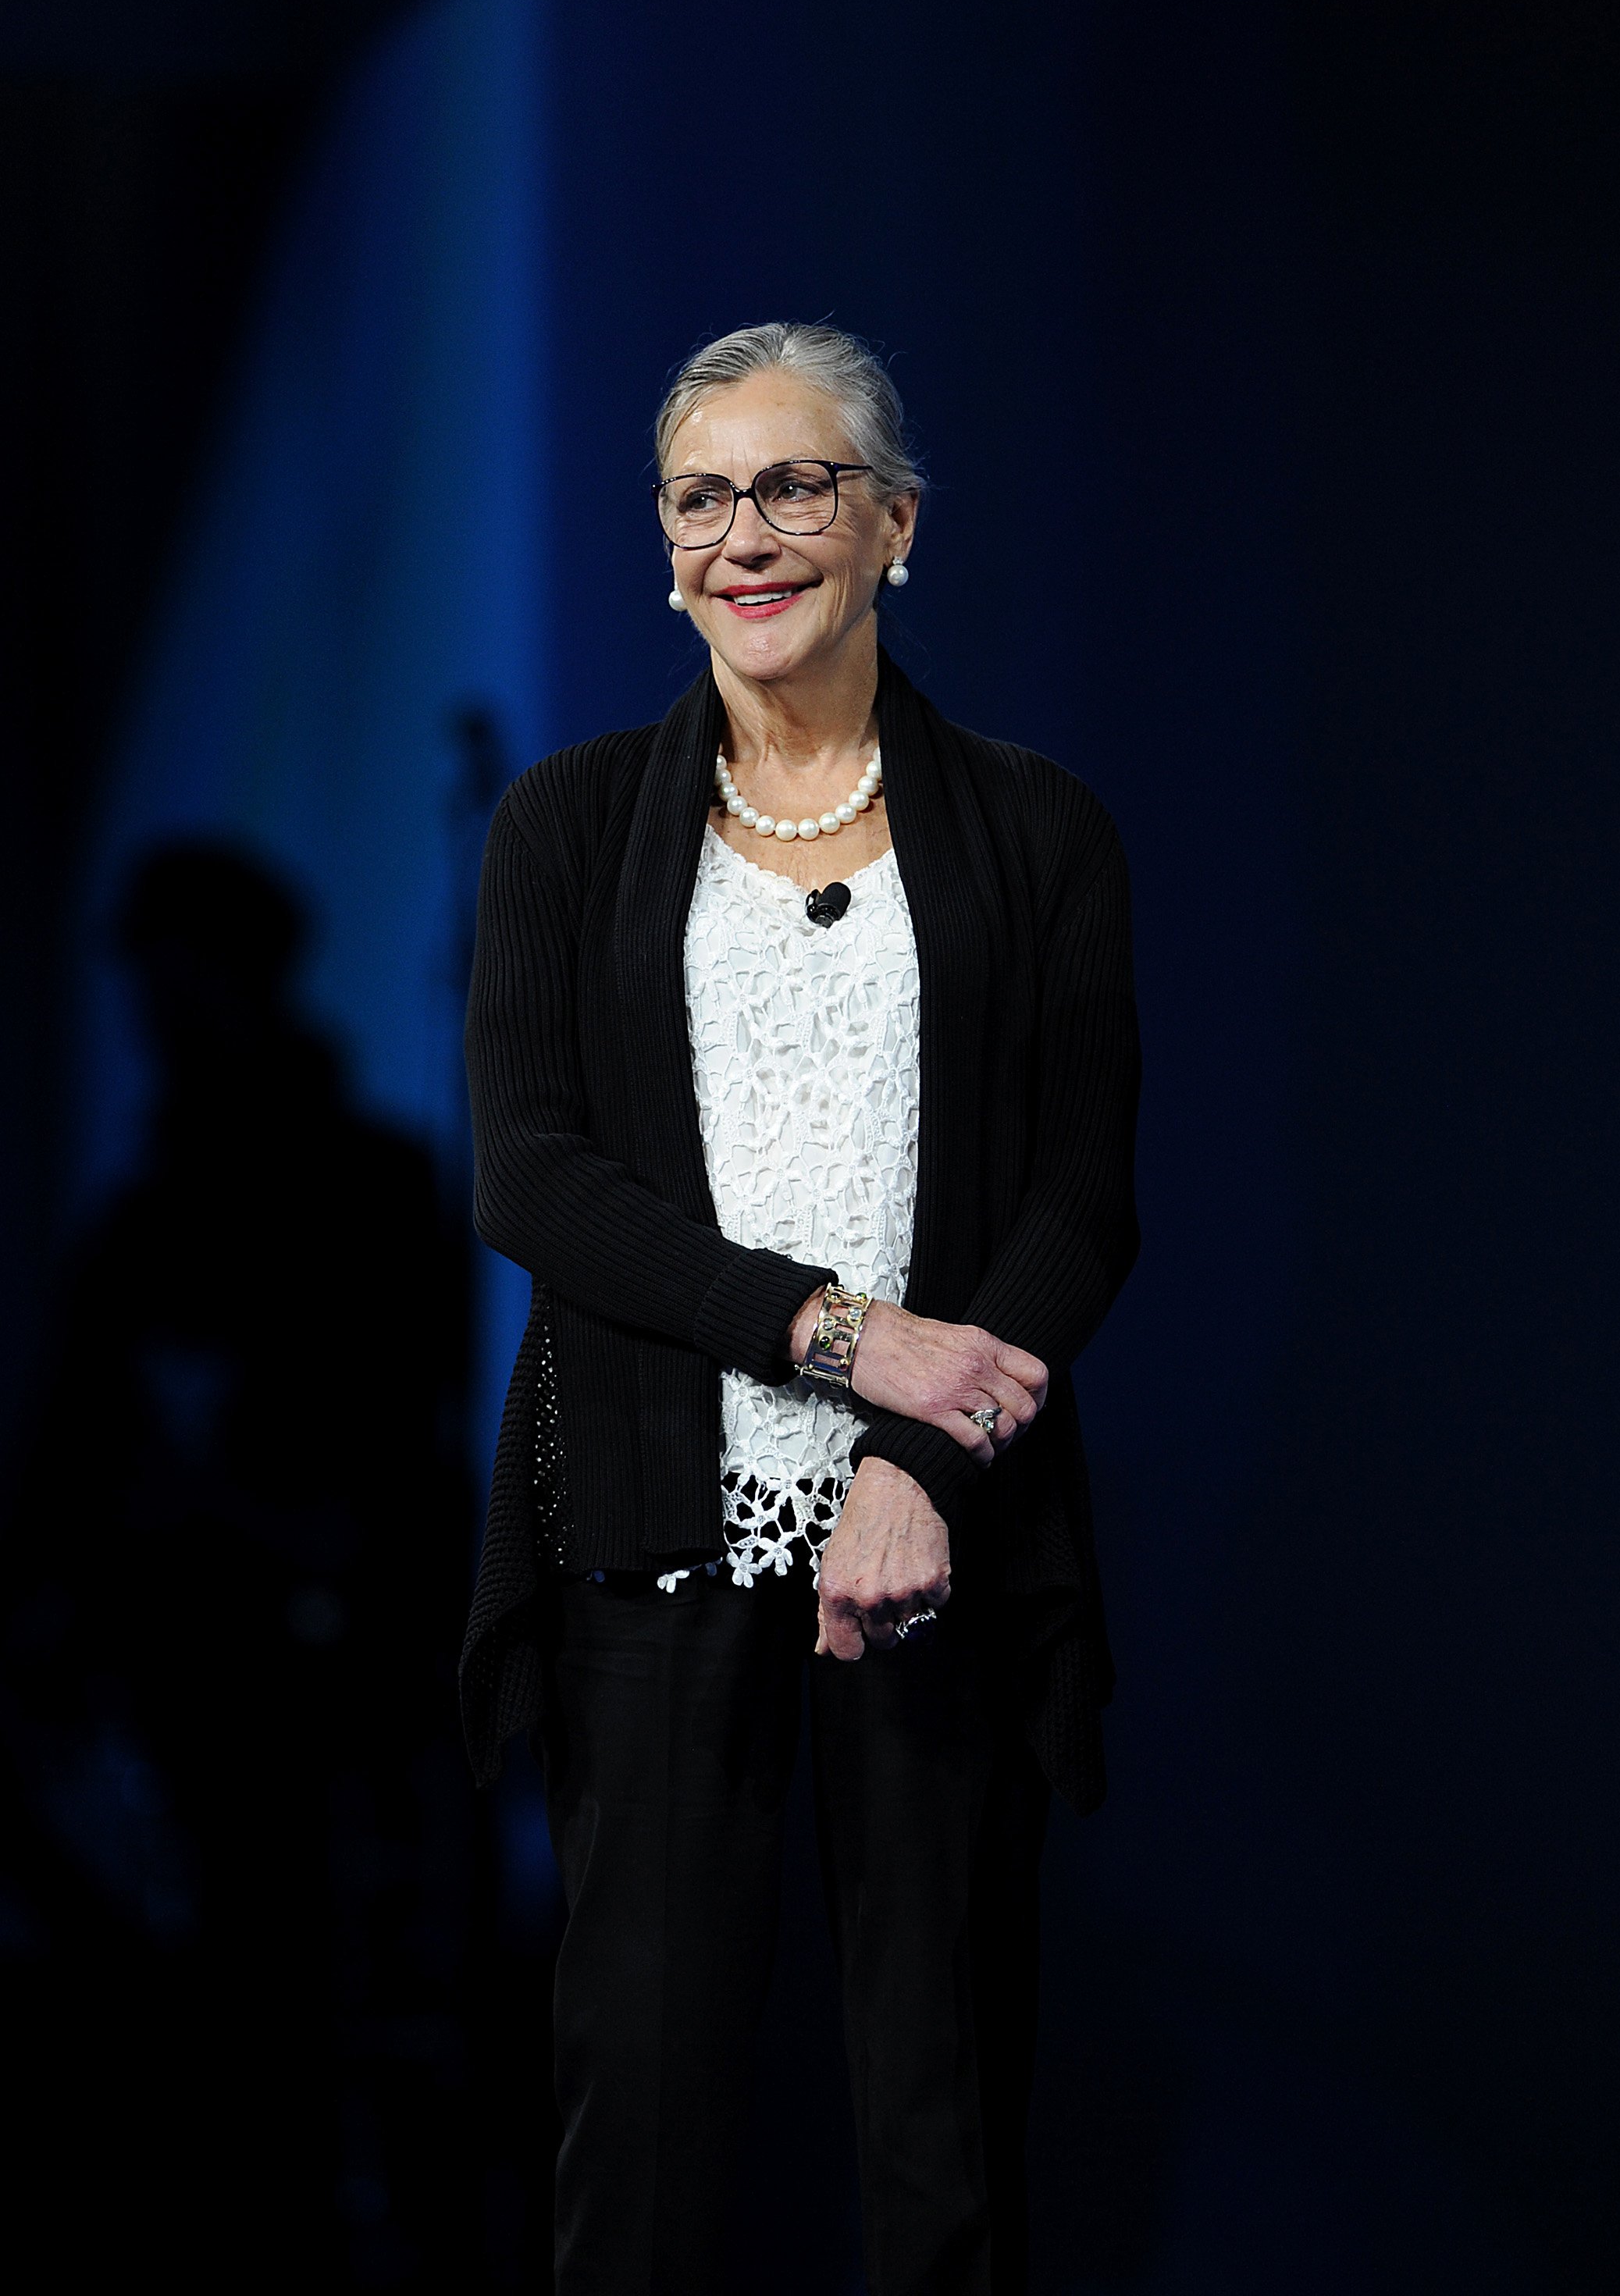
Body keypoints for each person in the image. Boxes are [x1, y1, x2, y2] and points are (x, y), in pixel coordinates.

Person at [461, 322, 1141, 2296]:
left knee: (942, 2145)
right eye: (701, 497)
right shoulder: (568, 828)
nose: (744, 536)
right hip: (653, 1542)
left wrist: (920, 1458)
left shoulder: (1036, 831)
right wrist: (850, 1341)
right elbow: (535, 1180)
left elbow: (1076, 1206)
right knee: (640, 2147)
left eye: (794, 486)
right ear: (664, 548)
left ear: (893, 524)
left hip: (933, 1544)